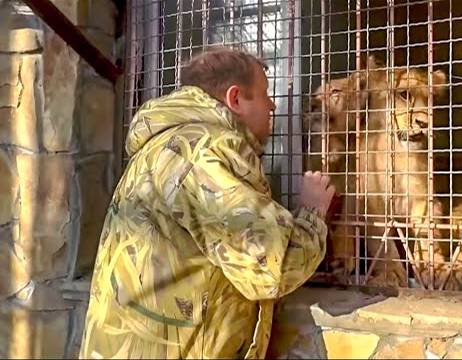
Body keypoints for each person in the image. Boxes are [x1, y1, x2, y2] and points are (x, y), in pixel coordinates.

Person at [79, 46, 335, 359]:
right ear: (236, 99)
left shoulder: (164, 145)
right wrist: (312, 213)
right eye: (265, 93)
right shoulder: (206, 150)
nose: (273, 104)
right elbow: (271, 270)